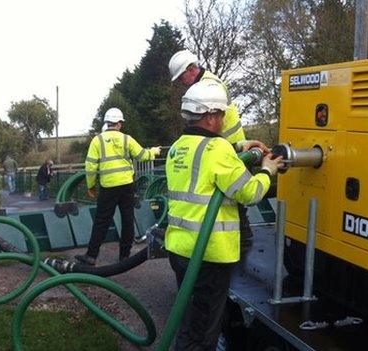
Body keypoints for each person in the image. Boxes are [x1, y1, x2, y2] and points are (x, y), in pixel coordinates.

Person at [165, 80, 283, 350]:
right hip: (209, 254)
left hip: (181, 249)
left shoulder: (178, 147)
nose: (222, 119)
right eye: (220, 114)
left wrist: (240, 146)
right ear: (209, 117)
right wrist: (268, 169)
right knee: (205, 330)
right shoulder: (217, 151)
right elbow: (250, 192)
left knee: (190, 319)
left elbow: (207, 164)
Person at [169, 49, 269, 246]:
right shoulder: (206, 83)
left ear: (191, 69)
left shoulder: (208, 86)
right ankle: (241, 239)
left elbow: (207, 124)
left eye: (181, 77)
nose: (181, 82)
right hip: (225, 145)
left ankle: (241, 241)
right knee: (232, 196)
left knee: (234, 198)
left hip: (225, 147)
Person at [74, 108, 162, 266]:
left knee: (101, 221)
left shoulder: (97, 141)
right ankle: (124, 256)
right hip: (127, 186)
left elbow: (90, 167)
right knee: (127, 220)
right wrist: (154, 151)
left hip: (108, 187)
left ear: (107, 123)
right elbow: (142, 155)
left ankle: (91, 256)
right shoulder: (127, 139)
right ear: (120, 123)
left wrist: (91, 186)